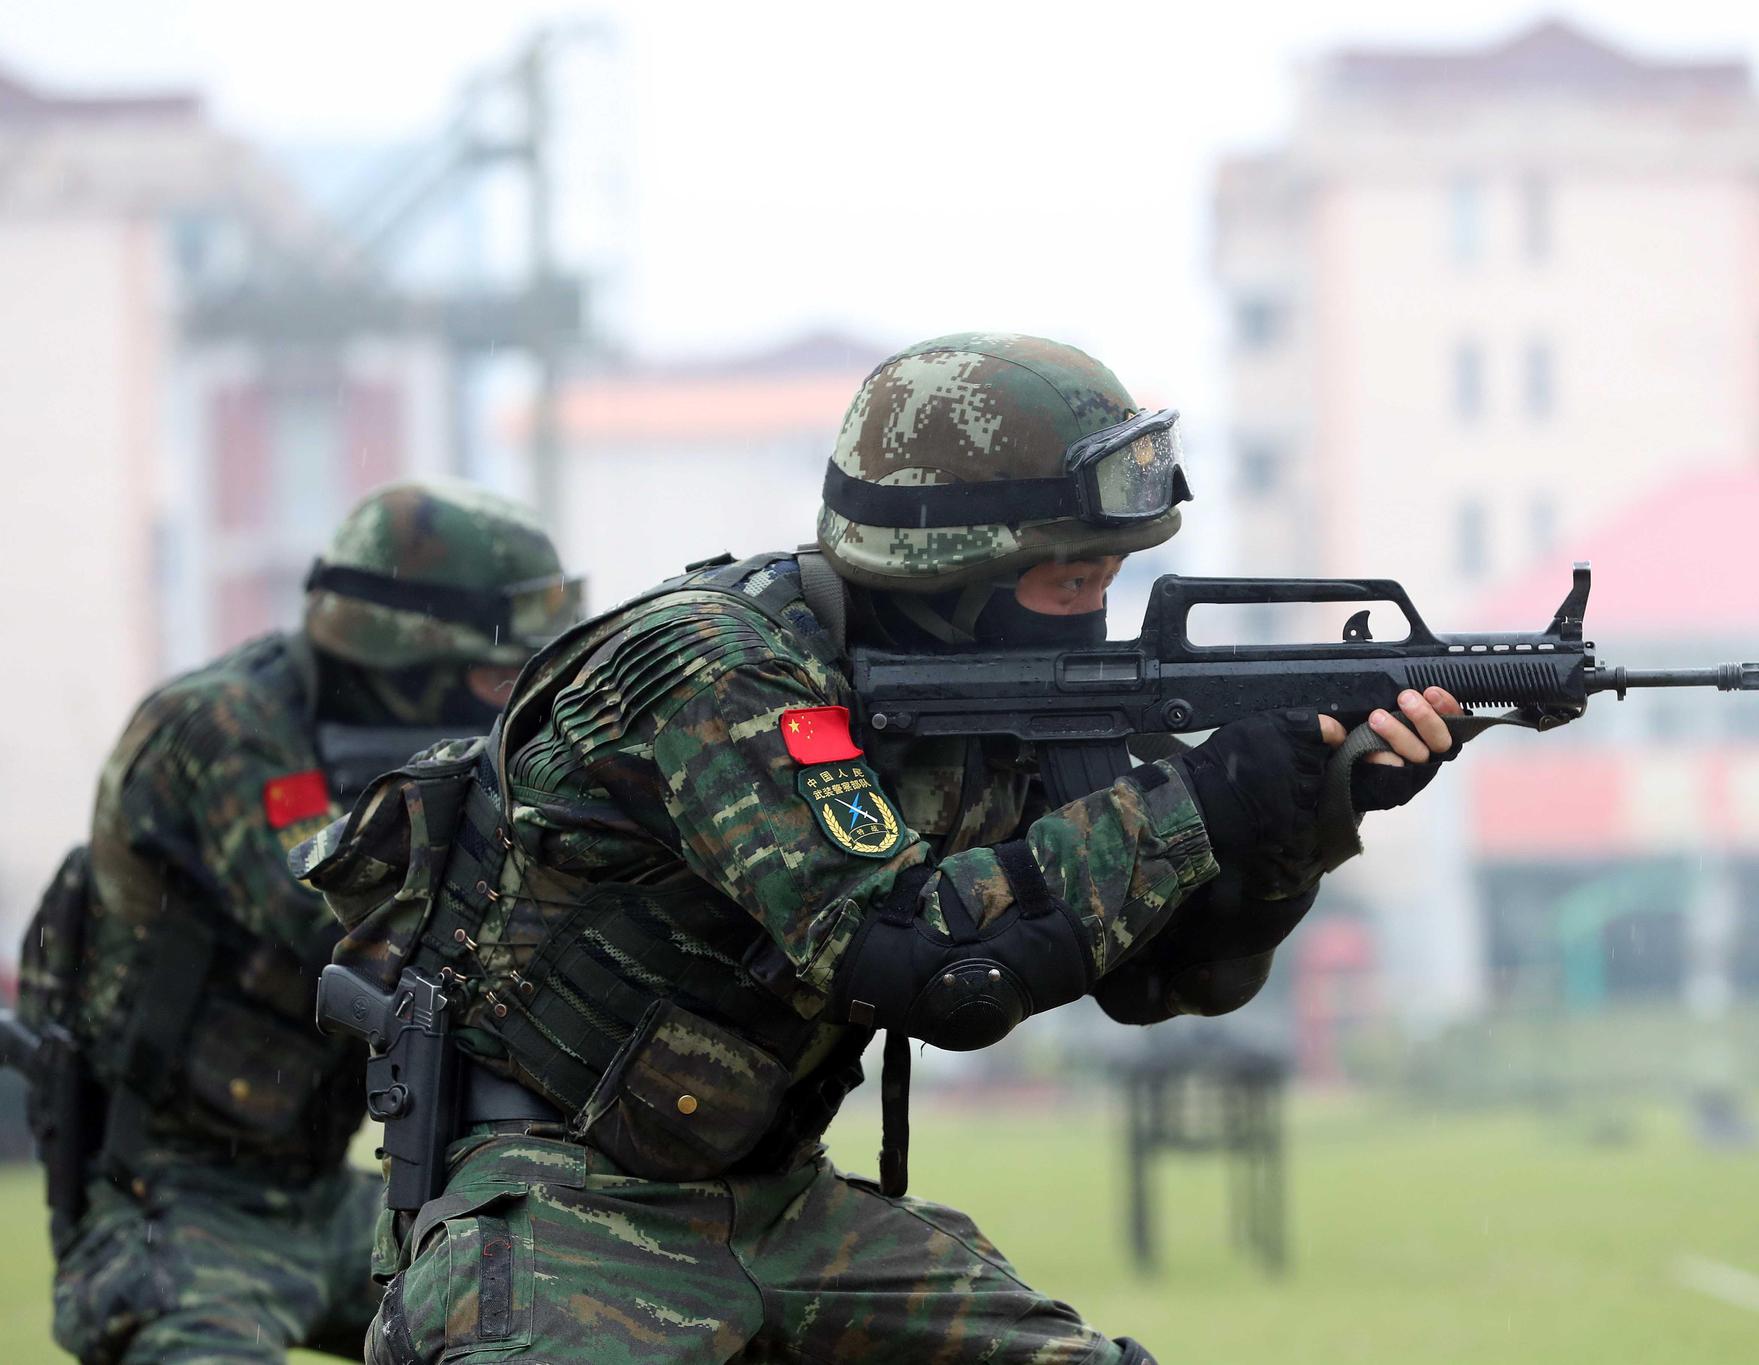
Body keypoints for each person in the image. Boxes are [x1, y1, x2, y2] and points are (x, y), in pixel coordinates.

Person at [298, 334, 1461, 1364]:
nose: (1096, 608)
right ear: (949, 570)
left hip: (774, 1206)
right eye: (1071, 578)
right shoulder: (717, 669)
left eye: (1112, 575)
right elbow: (914, 956)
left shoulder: (991, 700)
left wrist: (1307, 812)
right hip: (556, 1209)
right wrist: (1197, 801)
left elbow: (1165, 979)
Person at [32, 479, 580, 1364]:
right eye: (496, 675)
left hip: (330, 1198)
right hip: (174, 1203)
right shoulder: (223, 727)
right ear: (403, 655)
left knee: (590, 1311)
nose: (511, 701)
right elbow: (347, 931)